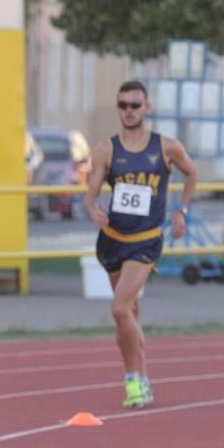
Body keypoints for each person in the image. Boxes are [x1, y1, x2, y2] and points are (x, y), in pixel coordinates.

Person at [83, 80, 197, 408]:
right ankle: (143, 377)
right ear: (118, 108)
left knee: (119, 308)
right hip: (112, 241)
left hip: (145, 242)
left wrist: (181, 211)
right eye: (123, 105)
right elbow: (90, 195)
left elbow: (192, 173)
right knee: (128, 314)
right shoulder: (106, 149)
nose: (129, 111)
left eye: (135, 105)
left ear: (147, 108)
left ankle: (133, 381)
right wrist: (93, 211)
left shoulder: (166, 147)